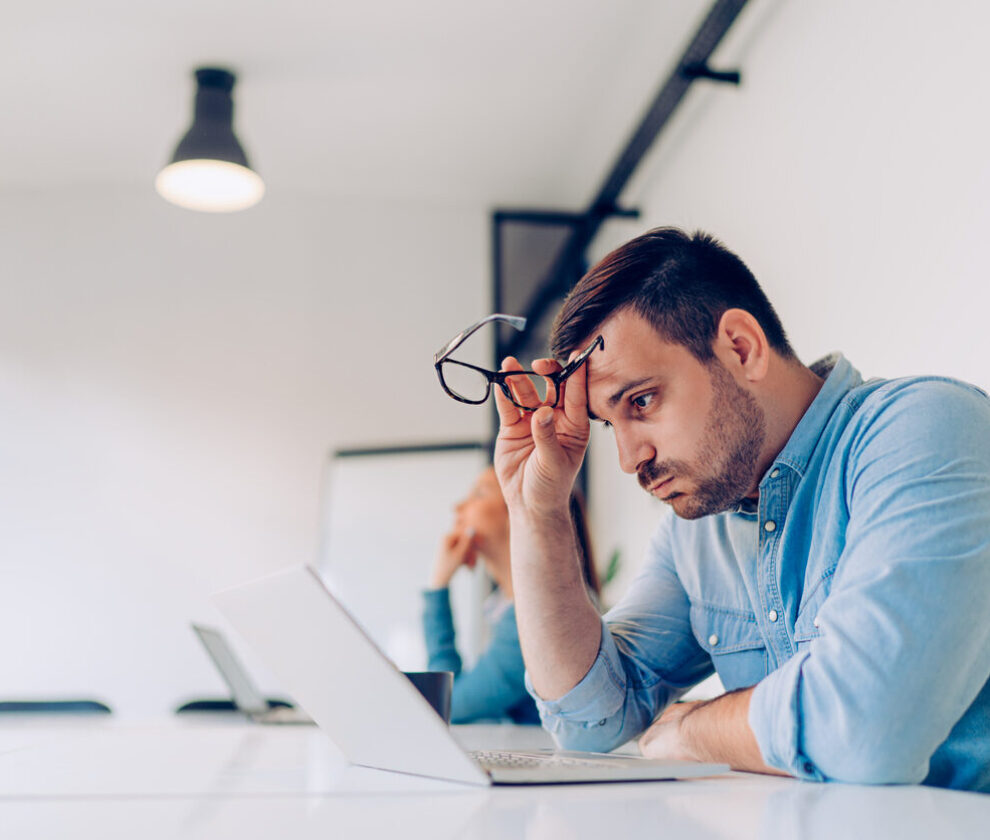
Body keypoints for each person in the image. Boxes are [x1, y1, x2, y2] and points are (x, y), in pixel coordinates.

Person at [489, 227, 990, 791]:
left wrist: (693, 730)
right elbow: (590, 719)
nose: (630, 459)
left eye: (643, 401)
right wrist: (538, 512)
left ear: (741, 348)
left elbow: (868, 730)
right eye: (611, 424)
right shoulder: (696, 535)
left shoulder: (926, 429)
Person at [422, 466, 599, 724]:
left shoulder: (540, 616)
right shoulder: (508, 609)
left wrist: (438, 586)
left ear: (519, 511)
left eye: (480, 493)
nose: (459, 507)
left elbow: (447, 705)